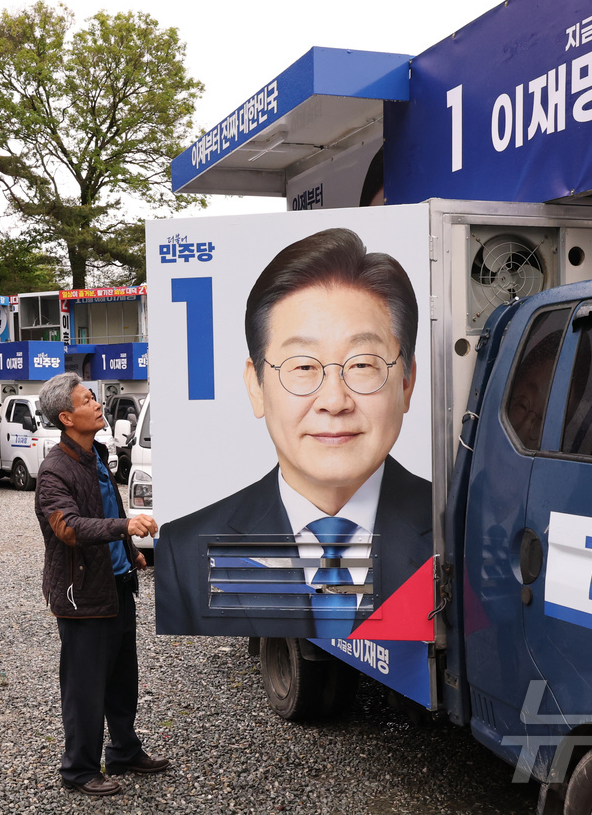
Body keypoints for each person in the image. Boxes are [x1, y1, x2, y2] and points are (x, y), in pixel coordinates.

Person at [157, 227, 433, 639]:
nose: (334, 401)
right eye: (303, 366)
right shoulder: (184, 551)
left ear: (406, 383)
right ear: (257, 386)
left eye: (362, 364)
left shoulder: (464, 534)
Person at [34, 371, 166, 797]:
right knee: (85, 688)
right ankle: (78, 770)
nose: (97, 405)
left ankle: (124, 751)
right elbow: (70, 527)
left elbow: (107, 508)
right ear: (66, 417)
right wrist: (125, 527)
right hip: (83, 596)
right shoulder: (54, 471)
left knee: (123, 679)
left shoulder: (98, 454)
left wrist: (129, 551)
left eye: (94, 398)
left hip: (117, 584)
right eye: (87, 400)